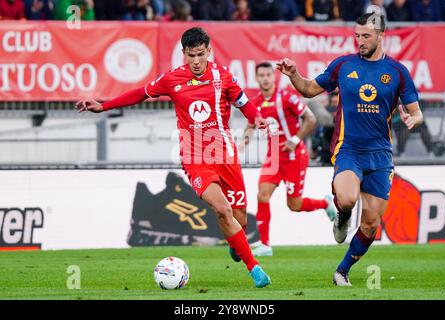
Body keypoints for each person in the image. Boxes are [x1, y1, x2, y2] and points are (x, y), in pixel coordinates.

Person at [75, 27, 271, 288]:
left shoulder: (224, 77)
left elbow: (244, 103)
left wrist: (255, 117)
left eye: (201, 54)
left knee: (240, 220)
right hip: (194, 156)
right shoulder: (172, 79)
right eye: (191, 56)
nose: (197, 61)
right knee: (222, 210)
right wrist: (104, 105)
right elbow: (140, 93)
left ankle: (238, 246)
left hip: (225, 154)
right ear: (184, 54)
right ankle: (254, 268)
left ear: (209, 51)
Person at [277, 12, 423, 286]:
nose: (360, 41)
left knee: (370, 223)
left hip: (380, 154)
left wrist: (412, 119)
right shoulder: (343, 65)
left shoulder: (398, 71)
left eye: (366, 36)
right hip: (349, 148)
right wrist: (293, 74)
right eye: (356, 35)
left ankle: (341, 271)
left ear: (381, 36)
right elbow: (309, 89)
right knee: (346, 198)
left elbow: (417, 113)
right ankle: (342, 216)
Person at [239, 62, 336, 256]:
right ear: (256, 78)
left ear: (273, 77)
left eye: (268, 74)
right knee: (262, 195)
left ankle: (325, 203)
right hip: (273, 158)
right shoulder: (256, 102)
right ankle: (265, 245)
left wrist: (294, 140)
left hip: (294, 156)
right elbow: (251, 124)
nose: (265, 78)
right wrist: (242, 144)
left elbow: (310, 119)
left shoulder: (287, 98)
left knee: (294, 205)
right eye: (262, 75)